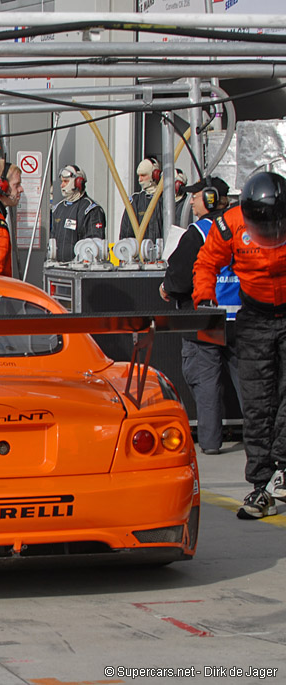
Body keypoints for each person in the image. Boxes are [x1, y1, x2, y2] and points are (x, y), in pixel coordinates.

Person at [193, 171, 286, 520]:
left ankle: (282, 470)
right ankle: (262, 484)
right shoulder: (229, 226)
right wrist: (204, 299)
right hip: (255, 319)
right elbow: (205, 263)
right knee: (258, 403)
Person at [160, 176, 238, 456]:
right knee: (250, 384)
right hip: (241, 318)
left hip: (205, 318)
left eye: (195, 196)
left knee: (204, 380)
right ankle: (258, 440)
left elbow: (179, 278)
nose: (191, 200)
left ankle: (210, 442)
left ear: (210, 199)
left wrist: (166, 289)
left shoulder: (199, 232)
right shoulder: (241, 227)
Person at [50, 164, 106, 262]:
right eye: (62, 181)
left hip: (79, 270)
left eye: (66, 181)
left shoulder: (91, 209)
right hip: (58, 268)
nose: (61, 185)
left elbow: (95, 244)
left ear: (78, 182)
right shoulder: (58, 208)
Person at [120, 157, 164, 242]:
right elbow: (126, 234)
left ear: (155, 175)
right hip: (140, 253)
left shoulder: (166, 200)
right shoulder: (135, 201)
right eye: (139, 176)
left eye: (143, 175)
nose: (140, 180)